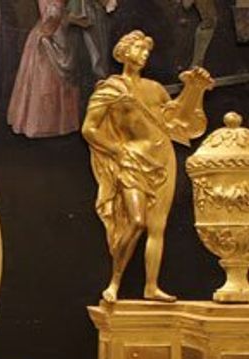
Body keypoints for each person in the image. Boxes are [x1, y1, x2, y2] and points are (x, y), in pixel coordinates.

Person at [82, 30, 213, 303]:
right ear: (124, 52)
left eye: (146, 52)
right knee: (137, 220)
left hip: (163, 158)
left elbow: (180, 122)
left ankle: (151, 286)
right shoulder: (110, 90)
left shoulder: (155, 90)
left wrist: (194, 89)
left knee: (157, 227)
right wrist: (117, 149)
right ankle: (115, 281)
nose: (143, 55)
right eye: (138, 50)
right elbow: (89, 129)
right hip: (131, 158)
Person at [7, 0, 80, 138]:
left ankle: (55, 123)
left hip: (54, 32)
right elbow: (51, 16)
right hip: (47, 37)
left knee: (53, 81)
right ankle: (43, 124)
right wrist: (55, 25)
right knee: (45, 80)